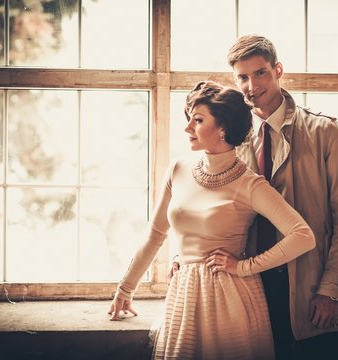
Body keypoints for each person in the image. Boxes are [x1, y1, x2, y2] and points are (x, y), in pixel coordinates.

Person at [108, 80, 316, 360]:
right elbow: (156, 233)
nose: (187, 128)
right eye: (189, 119)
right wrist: (126, 288)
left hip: (230, 298)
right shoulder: (179, 169)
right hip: (183, 295)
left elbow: (303, 236)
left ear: (223, 128)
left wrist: (244, 267)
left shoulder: (250, 184)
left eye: (198, 120)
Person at [223, 34, 338, 359]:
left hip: (313, 289)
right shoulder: (233, 144)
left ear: (278, 70)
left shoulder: (325, 133)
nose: (251, 85)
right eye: (242, 77)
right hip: (253, 286)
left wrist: (331, 290)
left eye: (260, 73)